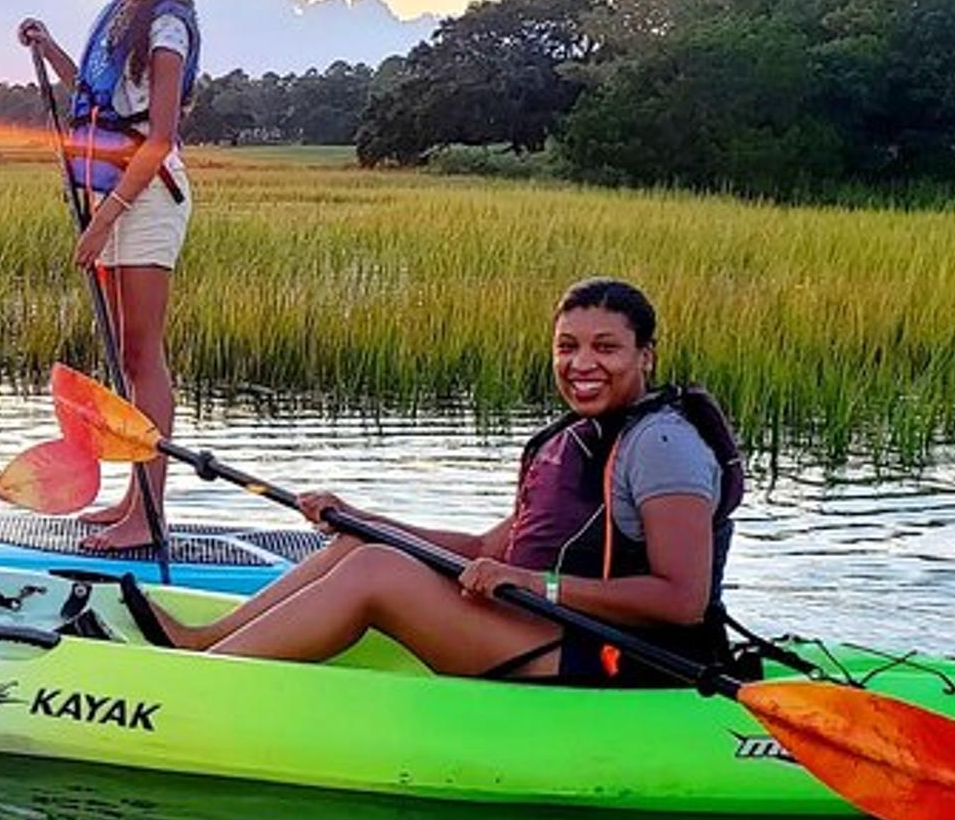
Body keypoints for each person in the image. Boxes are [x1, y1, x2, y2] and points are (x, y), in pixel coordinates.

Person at [122, 278, 744, 685]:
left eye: (606, 348)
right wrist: (362, 518)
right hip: (547, 626)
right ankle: (205, 644)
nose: (581, 364)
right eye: (567, 347)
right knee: (362, 546)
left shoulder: (662, 446)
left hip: (615, 656)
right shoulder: (579, 437)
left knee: (377, 574)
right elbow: (482, 552)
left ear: (646, 356)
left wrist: (533, 584)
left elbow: (680, 599)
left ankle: (194, 688)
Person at [16, 0, 201, 552]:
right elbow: (96, 99)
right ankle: (133, 500)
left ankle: (149, 513)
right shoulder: (122, 16)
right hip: (117, 196)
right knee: (127, 354)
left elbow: (159, 140)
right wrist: (50, 47)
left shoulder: (167, 28)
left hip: (147, 196)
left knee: (145, 355)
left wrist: (103, 223)